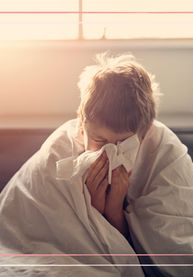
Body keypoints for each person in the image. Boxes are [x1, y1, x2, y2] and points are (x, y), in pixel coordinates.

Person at [74, 52, 160, 240]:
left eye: (123, 145)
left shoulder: (153, 153)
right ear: (82, 126)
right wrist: (92, 207)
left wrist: (114, 209)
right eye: (100, 141)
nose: (110, 153)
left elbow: (134, 251)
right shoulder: (63, 153)